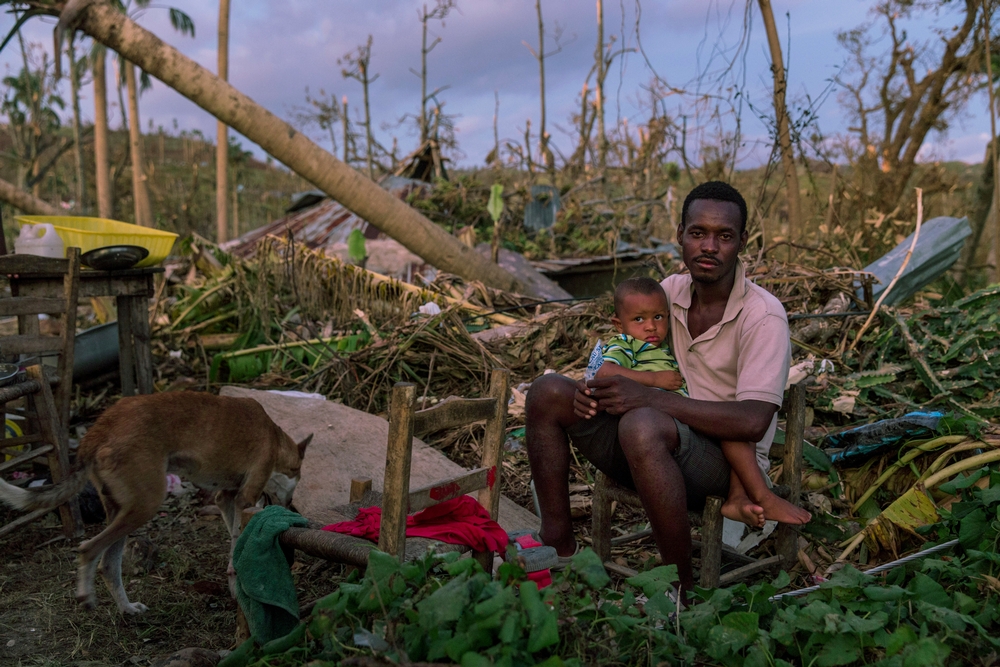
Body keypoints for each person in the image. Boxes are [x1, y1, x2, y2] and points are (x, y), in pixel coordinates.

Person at [525, 180, 805, 595]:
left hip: (728, 468)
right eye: (698, 233)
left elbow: (752, 421)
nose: (709, 246)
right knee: (548, 391)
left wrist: (651, 397)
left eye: (724, 236)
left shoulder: (763, 316)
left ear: (743, 241)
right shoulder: (667, 293)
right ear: (680, 235)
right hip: (651, 448)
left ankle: (679, 590)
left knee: (642, 423)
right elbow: (623, 350)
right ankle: (558, 544)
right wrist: (593, 388)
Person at [596, 276, 810, 529]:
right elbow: (604, 373)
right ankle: (761, 495)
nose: (651, 327)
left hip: (682, 416)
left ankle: (741, 497)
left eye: (659, 317)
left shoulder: (659, 346)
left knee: (736, 430)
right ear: (618, 324)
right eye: (639, 320)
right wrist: (654, 379)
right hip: (656, 423)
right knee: (724, 429)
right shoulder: (625, 344)